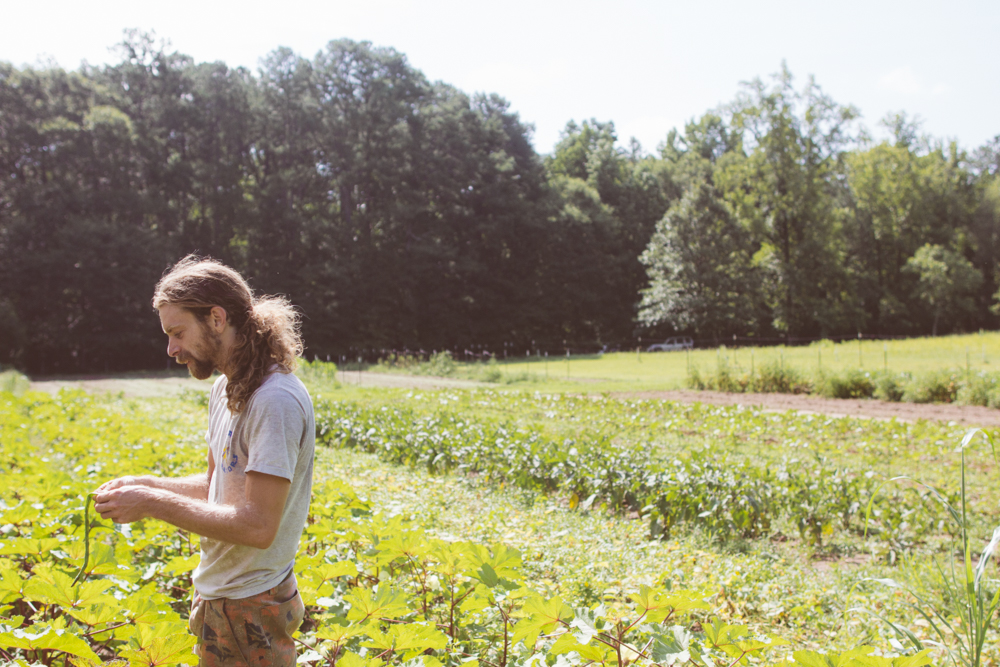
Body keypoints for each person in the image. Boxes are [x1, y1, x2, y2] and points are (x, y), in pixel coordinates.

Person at [95, 255, 314, 666]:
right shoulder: (225, 389)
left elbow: (258, 526)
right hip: (219, 595)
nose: (171, 349)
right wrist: (144, 484)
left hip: (252, 605)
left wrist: (151, 503)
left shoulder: (275, 401)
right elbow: (218, 485)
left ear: (216, 318)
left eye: (178, 333)